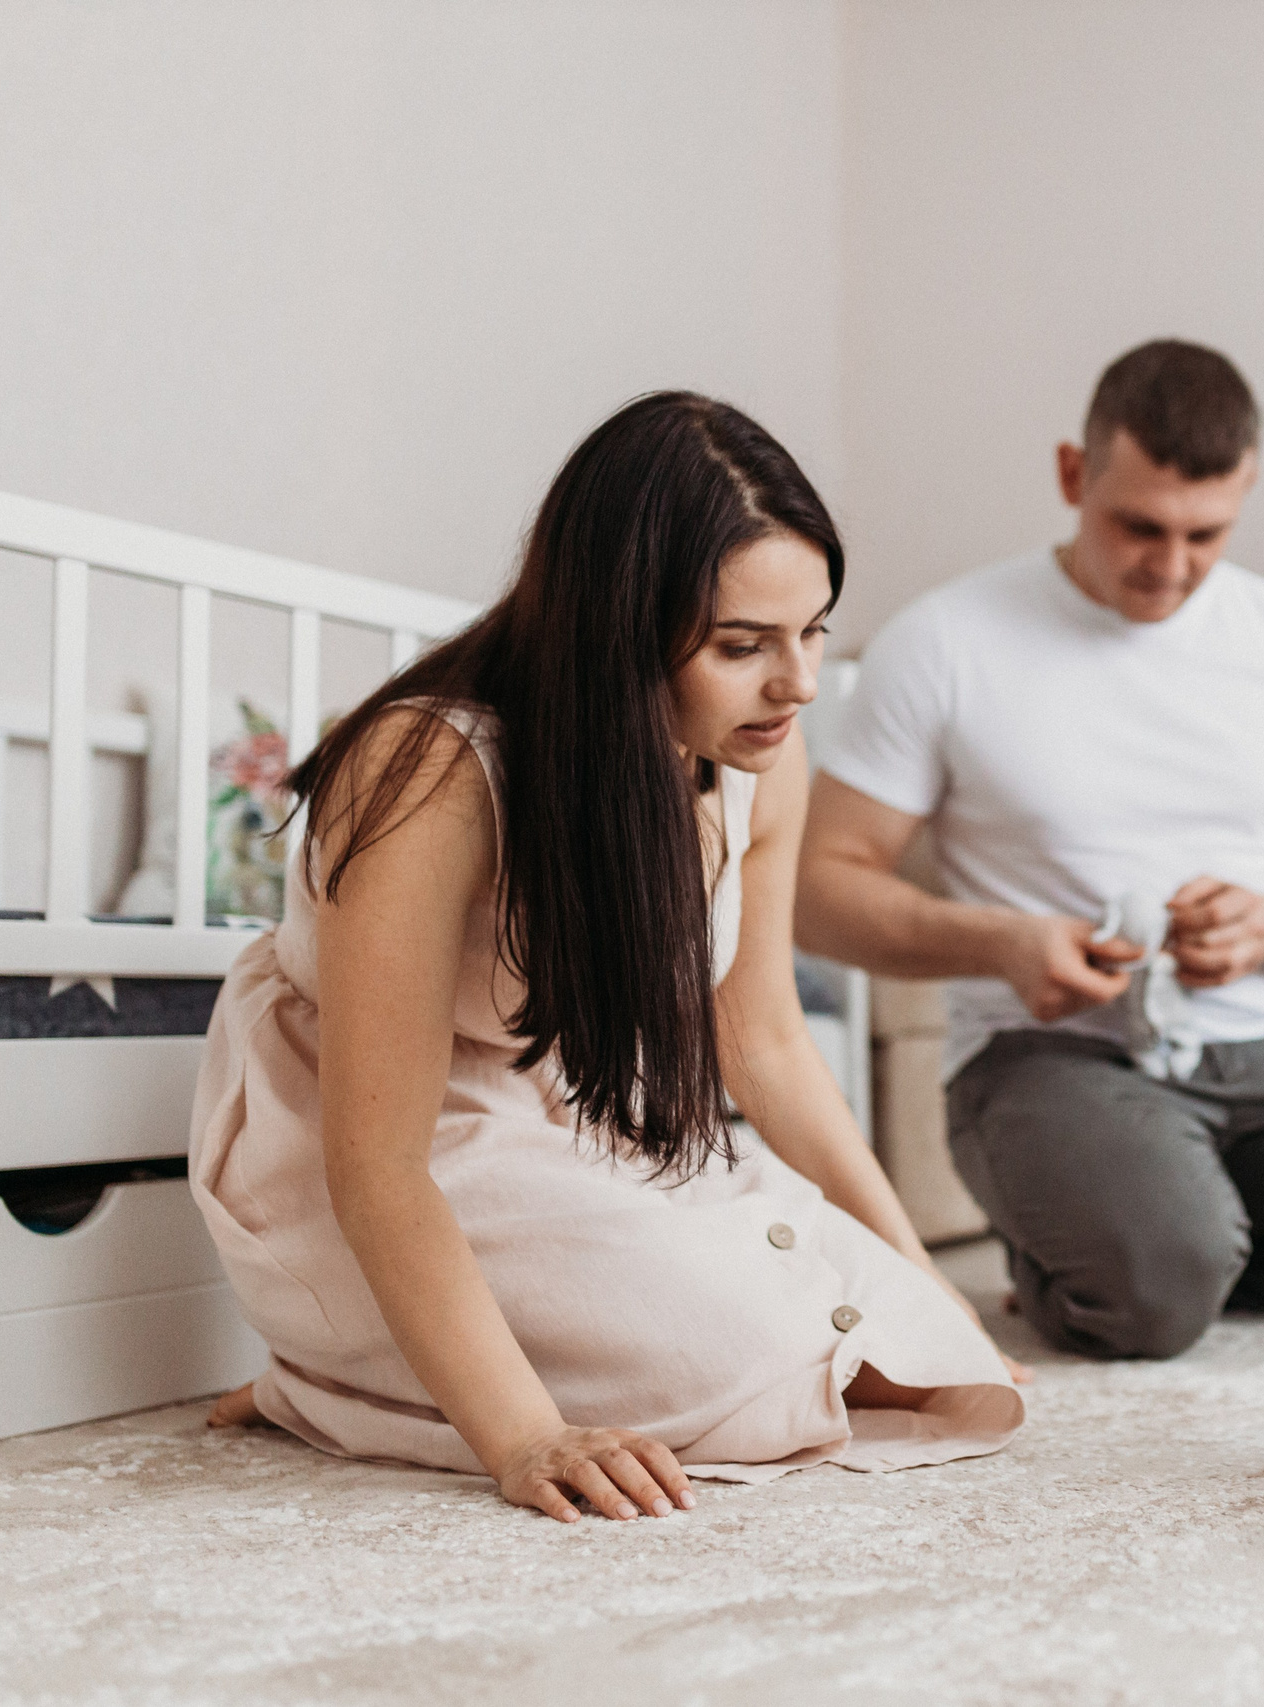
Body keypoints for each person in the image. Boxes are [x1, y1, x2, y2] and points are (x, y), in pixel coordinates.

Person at [190, 392, 1023, 1523]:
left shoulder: (758, 759)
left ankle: (377, 1374)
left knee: (929, 1358)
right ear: (618, 628)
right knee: (765, 1348)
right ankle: (339, 1378)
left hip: (572, 1112)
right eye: (744, 646)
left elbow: (766, 1040)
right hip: (387, 1144)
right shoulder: (431, 770)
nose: (802, 683)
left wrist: (928, 1281)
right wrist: (525, 1439)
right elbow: (376, 1163)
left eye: (815, 629)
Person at [798, 339, 1264, 1361]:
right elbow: (817, 892)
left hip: (1262, 1056)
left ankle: (1186, 1245)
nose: (1169, 566)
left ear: (1245, 492)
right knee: (1152, 1303)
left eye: (1205, 533)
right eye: (1138, 526)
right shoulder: (944, 641)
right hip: (1047, 1058)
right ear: (1074, 475)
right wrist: (1002, 945)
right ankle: (1157, 1249)